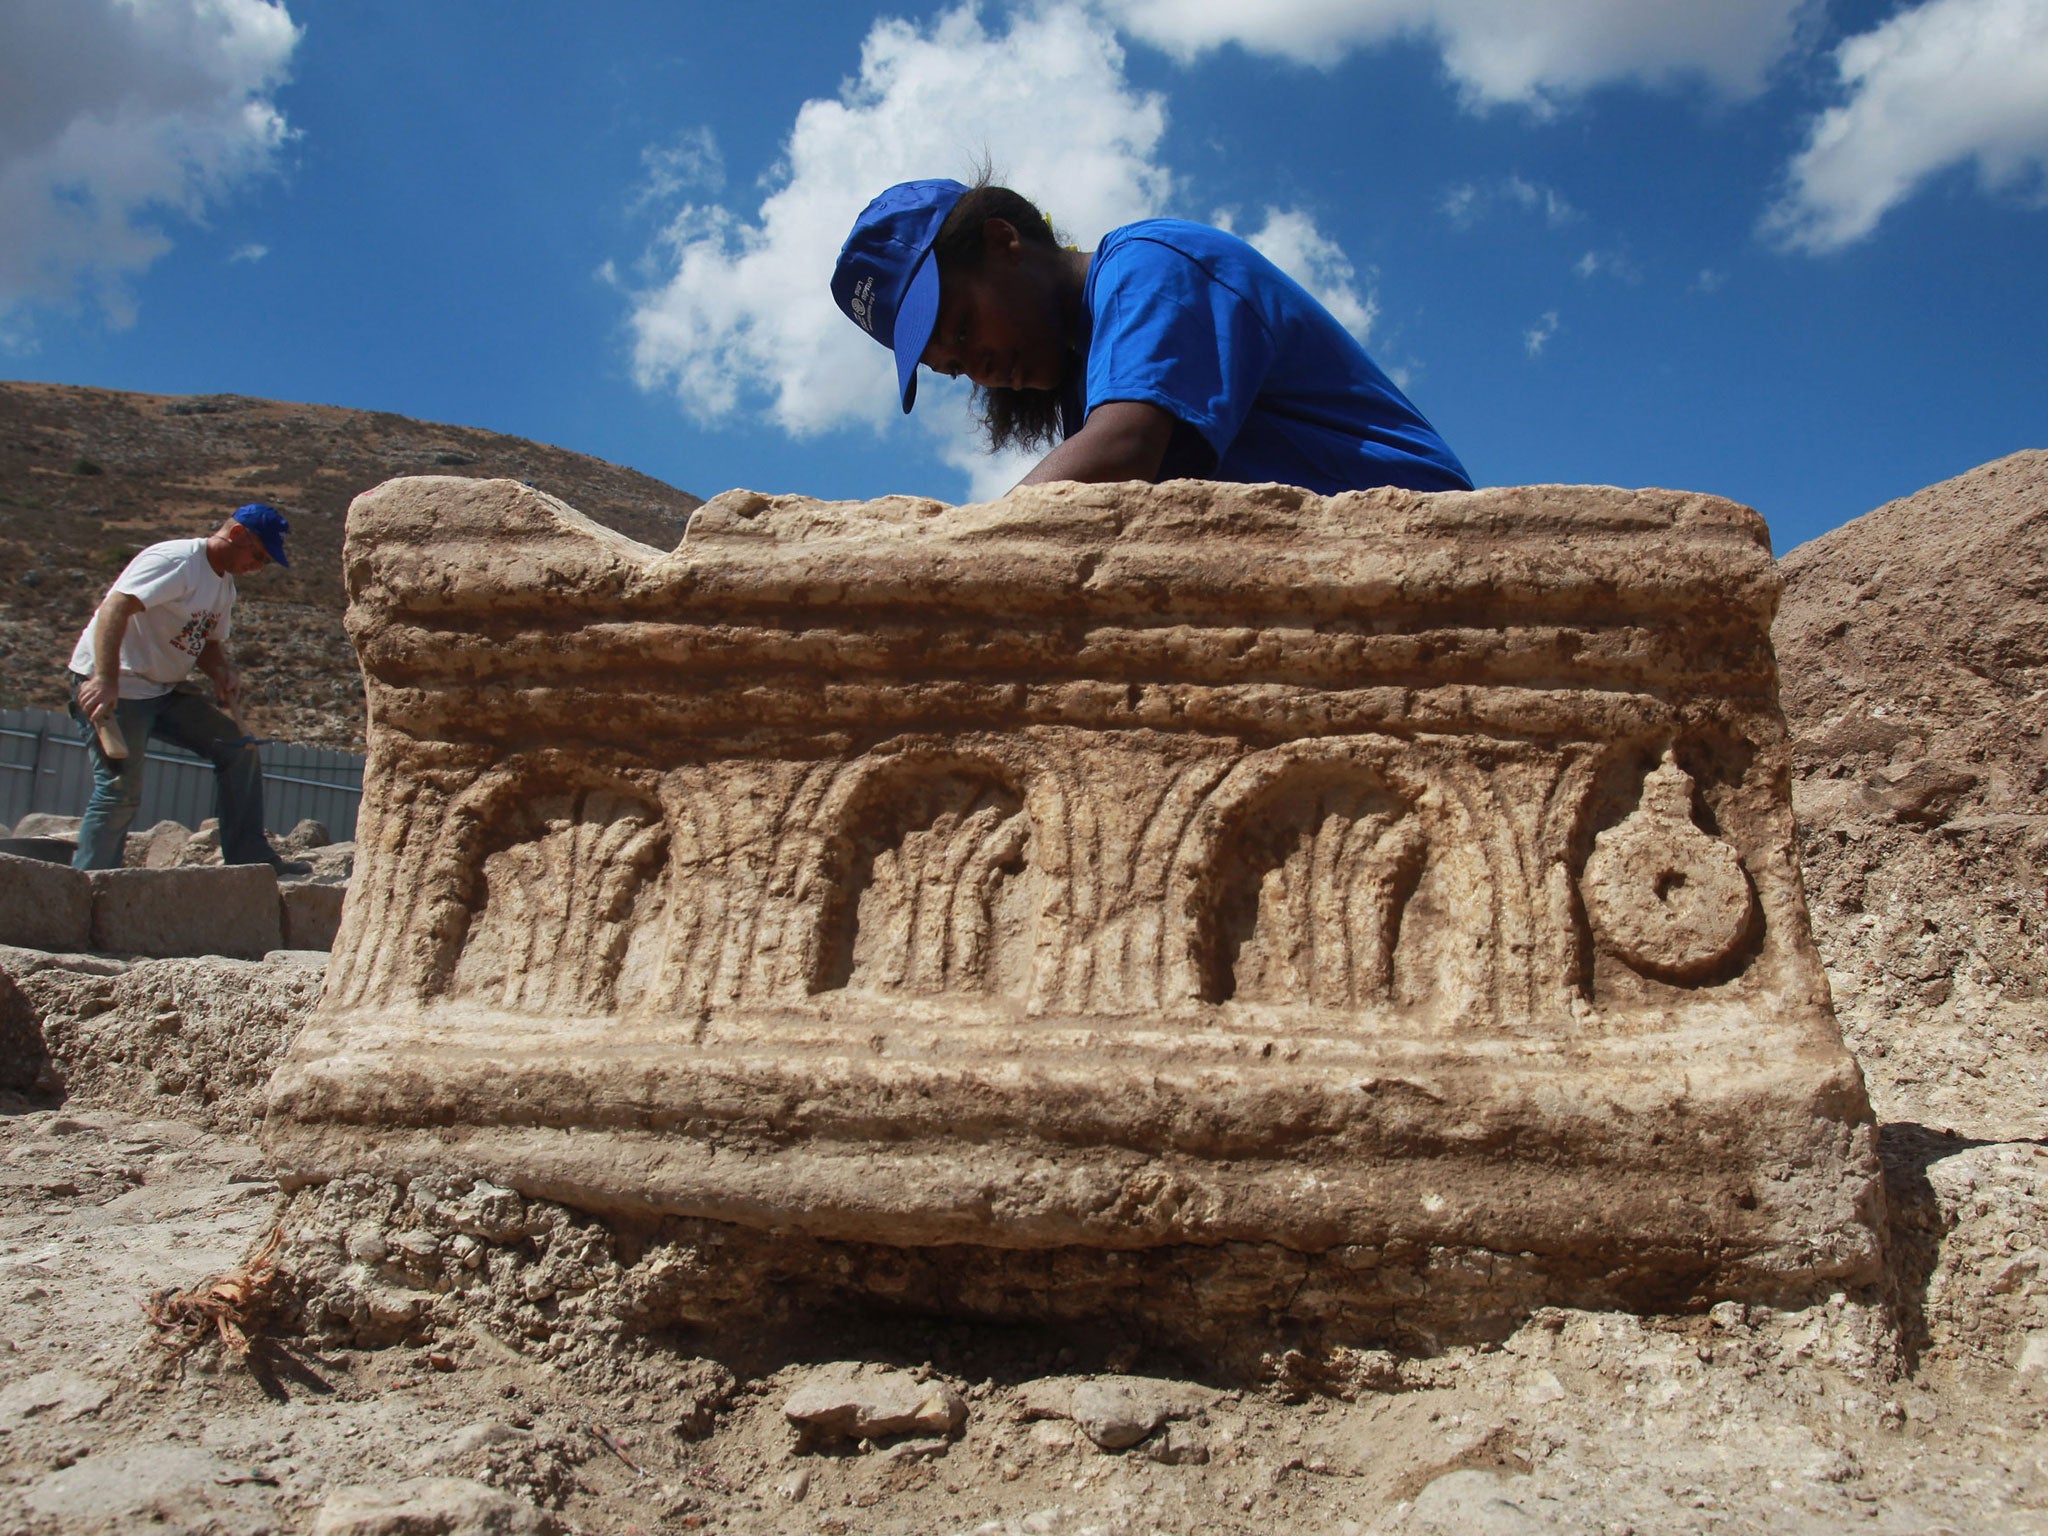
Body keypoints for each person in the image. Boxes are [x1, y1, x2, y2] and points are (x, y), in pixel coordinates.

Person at [831, 177, 1472, 496]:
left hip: (1430, 541)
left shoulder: (1150, 266)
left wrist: (948, 561)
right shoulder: (1085, 389)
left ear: (1003, 242)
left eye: (965, 330)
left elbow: (1125, 447)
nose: (981, 368)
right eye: (953, 369)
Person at [64, 503, 294, 872]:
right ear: (236, 535)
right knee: (119, 792)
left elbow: (205, 641)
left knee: (239, 749)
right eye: (259, 556)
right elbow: (115, 608)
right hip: (116, 688)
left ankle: (251, 859)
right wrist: (104, 679)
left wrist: (222, 671)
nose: (258, 567)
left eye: (265, 562)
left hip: (162, 690)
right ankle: (89, 884)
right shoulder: (177, 562)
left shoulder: (223, 587)